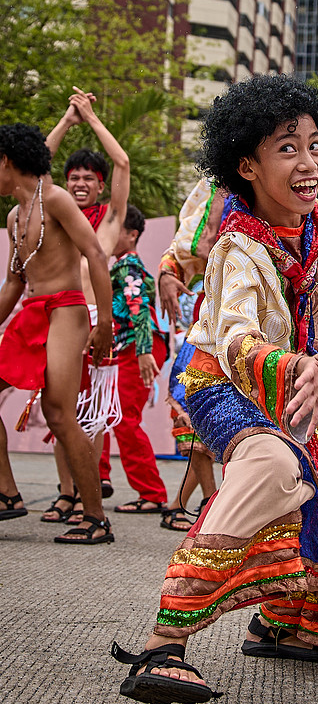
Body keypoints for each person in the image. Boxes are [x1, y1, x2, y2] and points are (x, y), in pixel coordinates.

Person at [111, 74, 318, 704]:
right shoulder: (238, 246)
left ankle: (289, 625)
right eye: (286, 148)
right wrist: (292, 367)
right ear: (246, 165)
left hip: (292, 388)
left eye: (314, 145)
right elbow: (238, 339)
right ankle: (165, 644)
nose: (309, 164)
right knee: (273, 467)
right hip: (222, 380)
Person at [0, 123, 114, 544]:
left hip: (66, 310)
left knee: (60, 413)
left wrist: (104, 322)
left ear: (7, 162)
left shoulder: (58, 200)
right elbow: (14, 283)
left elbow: (97, 255)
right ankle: (8, 495)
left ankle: (96, 518)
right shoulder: (16, 215)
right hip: (31, 312)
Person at [41, 87, 129, 526]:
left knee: (91, 419)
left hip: (96, 323)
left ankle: (85, 500)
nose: (78, 182)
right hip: (59, 319)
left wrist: (92, 119)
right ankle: (64, 492)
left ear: (98, 187)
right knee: (60, 411)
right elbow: (31, 170)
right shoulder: (54, 216)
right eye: (72, 176)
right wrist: (66, 121)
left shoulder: (109, 224)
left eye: (86, 178)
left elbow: (123, 164)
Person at [157, 179, 224, 530]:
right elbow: (183, 249)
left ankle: (180, 507)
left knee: (218, 431)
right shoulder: (216, 190)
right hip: (208, 331)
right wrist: (167, 273)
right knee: (196, 420)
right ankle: (211, 507)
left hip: (256, 332)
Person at [94, 204, 168, 513]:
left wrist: (143, 352)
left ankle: (152, 494)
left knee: (124, 419)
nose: (107, 234)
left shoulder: (128, 268)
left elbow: (137, 309)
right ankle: (98, 479)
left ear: (131, 234)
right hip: (127, 347)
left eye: (115, 228)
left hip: (139, 346)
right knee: (99, 414)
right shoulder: (118, 266)